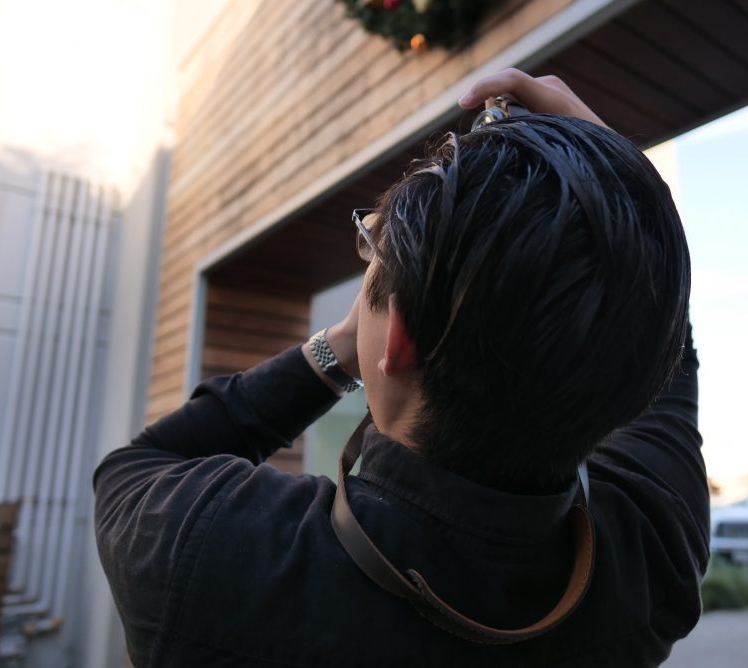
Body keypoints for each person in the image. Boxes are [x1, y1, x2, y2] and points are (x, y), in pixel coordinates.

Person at [94, 69, 708, 667]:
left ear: (401, 337)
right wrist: (624, 187)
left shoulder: (205, 550)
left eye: (372, 248)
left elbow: (141, 462)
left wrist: (341, 346)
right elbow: (661, 344)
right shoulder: (650, 571)